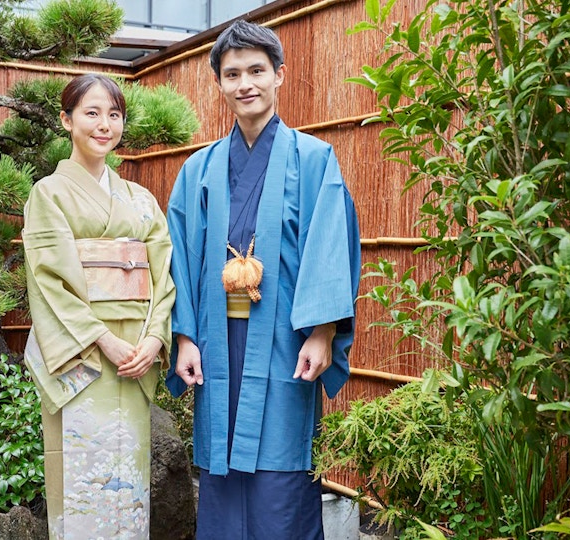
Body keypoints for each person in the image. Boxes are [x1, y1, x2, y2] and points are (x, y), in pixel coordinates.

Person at [166, 20, 362, 539]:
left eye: (257, 70)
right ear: (220, 84)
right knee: (221, 469)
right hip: (216, 340)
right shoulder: (198, 170)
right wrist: (184, 336)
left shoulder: (315, 159)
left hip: (285, 339)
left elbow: (330, 247)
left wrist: (323, 332)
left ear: (279, 75)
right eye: (232, 74)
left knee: (281, 473)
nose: (245, 83)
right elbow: (179, 259)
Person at [23, 73, 175, 540]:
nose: (104, 125)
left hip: (135, 352)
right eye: (91, 113)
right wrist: (104, 340)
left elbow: (163, 275)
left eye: (114, 114)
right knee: (82, 477)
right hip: (85, 353)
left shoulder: (141, 199)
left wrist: (153, 338)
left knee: (127, 478)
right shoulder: (48, 193)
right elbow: (50, 281)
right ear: (67, 120)